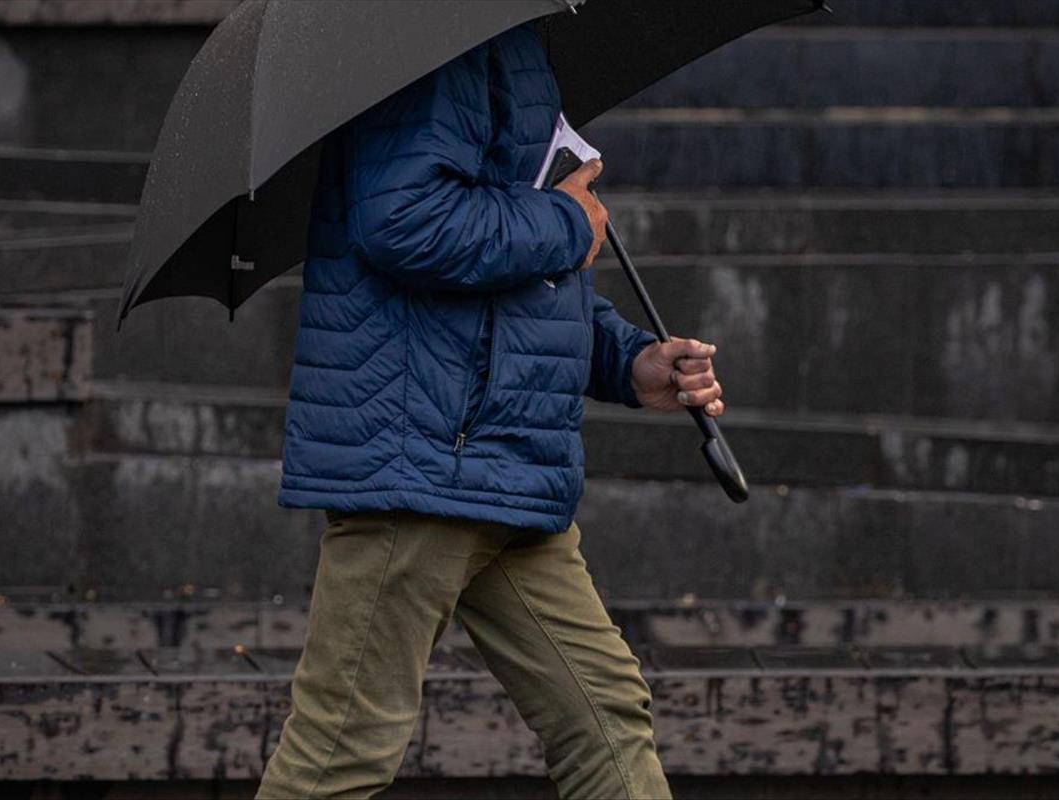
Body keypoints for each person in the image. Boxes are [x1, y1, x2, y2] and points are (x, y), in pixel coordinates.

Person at [259, 21, 723, 800]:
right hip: (422, 464)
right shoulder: (431, 34)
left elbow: (520, 288)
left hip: (507, 468)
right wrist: (569, 222)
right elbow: (400, 220)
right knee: (338, 757)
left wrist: (627, 361)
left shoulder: (511, 40)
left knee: (605, 720)